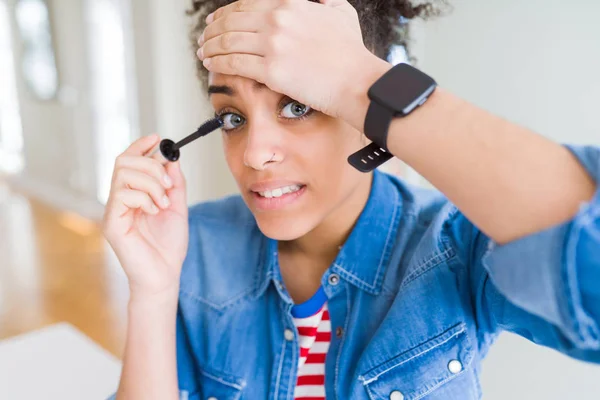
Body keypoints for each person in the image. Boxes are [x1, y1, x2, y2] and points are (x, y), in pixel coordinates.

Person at [103, 0, 600, 399]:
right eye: (232, 117)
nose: (254, 154)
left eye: (298, 105)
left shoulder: (454, 247)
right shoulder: (195, 246)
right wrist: (153, 292)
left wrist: (362, 82)